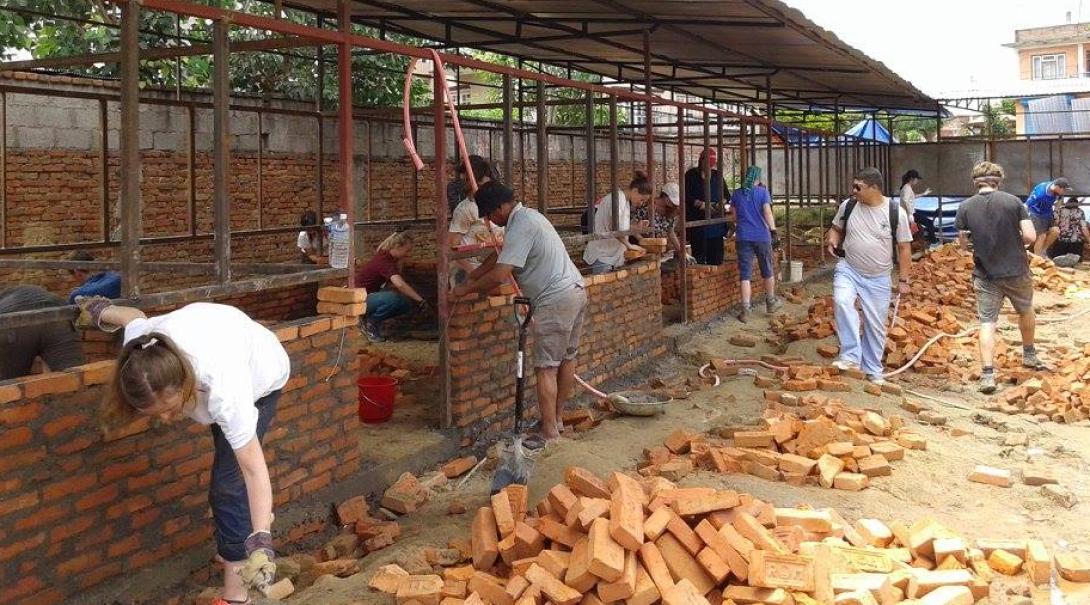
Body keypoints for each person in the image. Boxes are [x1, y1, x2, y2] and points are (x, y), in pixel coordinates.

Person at [81, 299, 286, 603]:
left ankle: (236, 595)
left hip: (262, 375)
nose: (165, 419)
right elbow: (134, 317)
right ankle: (236, 546)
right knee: (229, 481)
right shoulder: (143, 355)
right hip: (222, 344)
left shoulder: (226, 389)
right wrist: (99, 310)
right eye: (155, 413)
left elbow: (253, 470)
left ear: (186, 384)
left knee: (227, 487)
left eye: (170, 409)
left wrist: (262, 541)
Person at [452, 182, 586, 442]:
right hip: (575, 291)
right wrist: (472, 277)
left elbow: (501, 274)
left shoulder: (521, 223)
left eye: (490, 214)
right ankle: (555, 420)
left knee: (546, 367)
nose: (490, 220)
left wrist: (465, 291)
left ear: (502, 206)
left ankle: (549, 433)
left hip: (555, 298)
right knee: (567, 359)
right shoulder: (527, 218)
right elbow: (500, 256)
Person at [955, 161, 1043, 393]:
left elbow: (963, 244)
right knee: (1025, 310)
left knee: (987, 321)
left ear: (975, 182)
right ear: (999, 181)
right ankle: (1029, 355)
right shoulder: (1013, 202)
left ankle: (987, 375)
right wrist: (1014, 241)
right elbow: (1031, 237)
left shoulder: (965, 206)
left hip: (985, 274)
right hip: (1016, 270)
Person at [824, 167, 913, 385]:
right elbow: (836, 228)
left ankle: (873, 369)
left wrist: (903, 281)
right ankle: (850, 356)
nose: (854, 191)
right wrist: (832, 239)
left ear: (874, 187)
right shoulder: (849, 205)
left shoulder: (895, 212)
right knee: (842, 301)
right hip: (849, 269)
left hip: (879, 277)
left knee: (874, 325)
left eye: (858, 187)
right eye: (853, 186)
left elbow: (904, 248)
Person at [355, 231, 429, 343]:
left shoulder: (388, 257)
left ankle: (370, 321)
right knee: (395, 299)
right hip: (359, 300)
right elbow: (399, 284)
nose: (408, 254)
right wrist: (420, 300)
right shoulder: (384, 260)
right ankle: (370, 325)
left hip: (367, 297)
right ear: (397, 246)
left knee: (405, 304)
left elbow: (398, 274)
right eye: (407, 250)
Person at [0, 285, 85, 379]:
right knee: (74, 378)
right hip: (59, 319)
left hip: (14, 326)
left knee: (8, 385)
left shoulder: (6, 300)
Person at [731, 166, 782, 322]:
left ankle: (746, 310)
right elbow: (767, 212)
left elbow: (734, 217)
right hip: (762, 236)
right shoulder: (762, 192)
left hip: (743, 237)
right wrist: (773, 230)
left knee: (745, 274)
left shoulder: (737, 194)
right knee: (767, 269)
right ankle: (771, 302)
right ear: (758, 179)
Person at [448, 155, 503, 287]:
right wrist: (475, 274)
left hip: (496, 268)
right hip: (471, 270)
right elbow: (451, 248)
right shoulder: (465, 209)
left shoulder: (500, 206)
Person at [583, 172, 651, 274]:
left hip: (612, 255)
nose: (641, 204)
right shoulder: (616, 199)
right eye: (642, 200)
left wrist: (636, 227)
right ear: (635, 190)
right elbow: (616, 229)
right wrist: (630, 246)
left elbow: (621, 227)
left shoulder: (625, 201)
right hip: (603, 255)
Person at [684, 148, 728, 265]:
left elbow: (726, 196)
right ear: (701, 161)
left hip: (715, 226)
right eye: (706, 165)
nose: (708, 168)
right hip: (697, 225)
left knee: (716, 259)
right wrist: (701, 204)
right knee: (699, 258)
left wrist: (719, 204)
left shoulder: (717, 176)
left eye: (711, 166)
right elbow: (686, 196)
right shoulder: (690, 175)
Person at [632, 182, 685, 259]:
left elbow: (670, 232)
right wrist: (644, 242)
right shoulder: (647, 206)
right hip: (638, 247)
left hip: (654, 248)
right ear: (665, 197)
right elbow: (632, 227)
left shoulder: (671, 210)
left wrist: (682, 251)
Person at [1025, 177, 1070, 255]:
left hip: (1047, 212)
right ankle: (1037, 258)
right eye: (1064, 190)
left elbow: (1057, 202)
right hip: (1036, 213)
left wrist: (1056, 210)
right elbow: (1027, 205)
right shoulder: (1041, 194)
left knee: (1056, 231)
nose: (1065, 192)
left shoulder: (1055, 188)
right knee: (1041, 236)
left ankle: (1043, 251)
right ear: (1058, 187)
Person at [1050, 196, 1089, 262]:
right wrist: (1089, 240)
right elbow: (1084, 228)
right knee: (1076, 264)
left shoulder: (1060, 210)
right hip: (1076, 242)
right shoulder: (1080, 212)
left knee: (1057, 263)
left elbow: (1055, 223)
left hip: (1061, 241)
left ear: (1067, 203)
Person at [898, 169, 931, 234]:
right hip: (909, 214)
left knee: (920, 227)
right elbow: (905, 200)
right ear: (912, 178)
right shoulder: (907, 188)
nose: (917, 181)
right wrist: (910, 214)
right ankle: (933, 241)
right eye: (916, 179)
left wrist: (924, 193)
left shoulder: (907, 187)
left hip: (909, 213)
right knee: (929, 222)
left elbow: (912, 197)